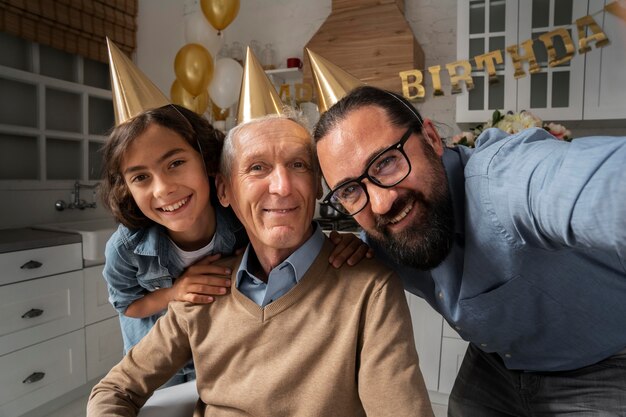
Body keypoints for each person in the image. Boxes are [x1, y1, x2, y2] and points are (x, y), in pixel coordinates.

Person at [88, 113, 435, 417]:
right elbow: (114, 390)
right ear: (224, 191)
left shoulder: (369, 288)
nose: (281, 187)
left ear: (317, 184)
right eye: (257, 168)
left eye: (298, 165)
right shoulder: (202, 288)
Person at [313, 85, 626, 416]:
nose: (381, 202)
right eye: (349, 190)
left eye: (387, 162)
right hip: (495, 365)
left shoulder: (505, 181)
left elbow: (600, 185)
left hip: (605, 363)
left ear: (432, 139)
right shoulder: (379, 240)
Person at [100, 105, 373, 387]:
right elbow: (128, 304)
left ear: (207, 162)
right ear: (126, 187)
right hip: (159, 369)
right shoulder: (125, 248)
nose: (163, 189)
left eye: (175, 164)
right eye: (141, 177)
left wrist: (343, 244)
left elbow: (291, 248)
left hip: (220, 358)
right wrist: (175, 292)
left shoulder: (242, 220)